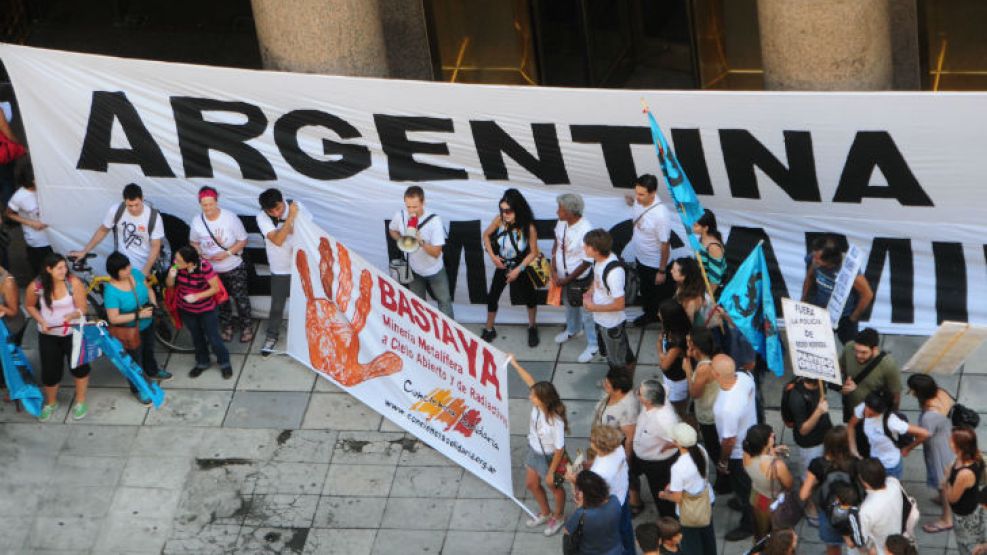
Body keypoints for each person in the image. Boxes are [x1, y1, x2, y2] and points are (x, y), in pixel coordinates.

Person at [24, 253, 90, 421]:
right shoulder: (37, 285)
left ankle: (80, 401)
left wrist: (73, 315)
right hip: (48, 334)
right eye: (59, 268)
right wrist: (41, 321)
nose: (64, 271)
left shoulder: (72, 282)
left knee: (79, 368)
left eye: (64, 267)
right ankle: (51, 402)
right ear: (49, 269)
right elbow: (30, 306)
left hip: (73, 333)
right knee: (50, 370)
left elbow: (83, 308)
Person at [508, 355, 568, 536]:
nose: (530, 396)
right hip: (533, 451)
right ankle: (545, 512)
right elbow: (530, 381)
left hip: (550, 458)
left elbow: (560, 449)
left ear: (542, 399)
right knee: (531, 484)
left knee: (555, 488)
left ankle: (558, 517)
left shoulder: (555, 421)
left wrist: (551, 472)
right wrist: (515, 364)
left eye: (533, 396)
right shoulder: (538, 408)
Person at [103, 251, 171, 405]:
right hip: (130, 330)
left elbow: (148, 289)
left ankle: (152, 370)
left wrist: (153, 304)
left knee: (149, 348)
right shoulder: (111, 292)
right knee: (134, 360)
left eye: (128, 265)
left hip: (147, 322)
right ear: (115, 272)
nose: (129, 269)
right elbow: (113, 318)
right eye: (124, 268)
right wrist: (138, 315)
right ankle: (138, 388)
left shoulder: (135, 274)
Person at [189, 186, 253, 344]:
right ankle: (227, 327)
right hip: (212, 270)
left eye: (211, 204)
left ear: (216, 202)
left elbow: (243, 240)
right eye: (204, 205)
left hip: (233, 265)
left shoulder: (230, 218)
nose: (208, 208)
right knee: (221, 300)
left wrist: (227, 253)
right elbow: (193, 242)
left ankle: (247, 326)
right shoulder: (197, 221)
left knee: (241, 299)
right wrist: (199, 253)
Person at [480, 189, 540, 346]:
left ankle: (532, 327)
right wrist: (493, 257)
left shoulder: (529, 227)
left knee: (530, 298)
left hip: (521, 266)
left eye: (508, 210)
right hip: (502, 265)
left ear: (518, 209)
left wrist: (518, 270)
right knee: (492, 296)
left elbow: (534, 252)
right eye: (502, 210)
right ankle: (489, 328)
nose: (504, 214)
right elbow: (485, 235)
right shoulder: (499, 220)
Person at [70, 182, 164, 278]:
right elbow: (102, 230)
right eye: (130, 205)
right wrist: (84, 251)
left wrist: (146, 270)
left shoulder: (154, 217)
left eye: (136, 204)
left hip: (142, 265)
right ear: (124, 201)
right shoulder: (116, 210)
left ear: (142, 199)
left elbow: (156, 246)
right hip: (121, 265)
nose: (134, 209)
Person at [256, 188, 308, 357]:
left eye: (278, 208)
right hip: (280, 267)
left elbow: (307, 231)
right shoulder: (262, 217)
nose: (276, 212)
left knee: (309, 302)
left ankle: (309, 336)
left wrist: (285, 229)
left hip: (302, 266)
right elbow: (278, 240)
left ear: (283, 200)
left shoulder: (298, 206)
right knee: (277, 305)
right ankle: (271, 337)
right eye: (271, 211)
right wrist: (291, 219)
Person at [387, 186, 454, 318]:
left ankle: (449, 336)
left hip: (434, 270)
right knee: (418, 306)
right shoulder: (400, 215)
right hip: (415, 270)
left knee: (444, 302)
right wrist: (403, 239)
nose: (411, 211)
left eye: (415, 207)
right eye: (408, 207)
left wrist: (420, 242)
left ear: (423, 203)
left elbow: (436, 253)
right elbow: (392, 230)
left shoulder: (434, 221)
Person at [166, 246, 232, 378]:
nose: (175, 262)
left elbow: (215, 288)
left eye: (179, 260)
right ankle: (202, 362)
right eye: (176, 259)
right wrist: (171, 276)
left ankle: (224, 363)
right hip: (186, 309)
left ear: (189, 263)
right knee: (196, 337)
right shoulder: (177, 268)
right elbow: (169, 286)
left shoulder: (204, 267)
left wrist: (197, 296)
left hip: (206, 309)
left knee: (214, 338)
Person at [712, 353, 758, 541]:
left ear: (715, 375)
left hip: (739, 453)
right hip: (753, 439)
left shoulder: (726, 407)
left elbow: (729, 440)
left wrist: (723, 461)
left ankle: (749, 525)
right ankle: (743, 503)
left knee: (745, 489)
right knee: (746, 486)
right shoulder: (746, 379)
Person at [798, 426, 860, 555]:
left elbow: (803, 495)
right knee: (855, 544)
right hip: (850, 510)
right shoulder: (854, 462)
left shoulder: (817, 464)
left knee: (833, 547)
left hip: (828, 512)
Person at [907, 374, 956, 534]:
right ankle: (946, 499)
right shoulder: (942, 393)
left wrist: (908, 447)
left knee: (942, 481)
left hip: (938, 447)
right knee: (945, 476)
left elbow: (924, 435)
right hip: (947, 438)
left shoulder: (929, 415)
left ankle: (947, 518)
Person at [551, 193, 597, 362]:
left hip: (581, 279)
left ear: (570, 212)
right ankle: (573, 330)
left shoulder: (586, 229)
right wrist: (554, 267)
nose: (557, 212)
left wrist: (567, 280)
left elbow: (587, 262)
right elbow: (557, 241)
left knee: (587, 313)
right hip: (563, 277)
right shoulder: (561, 223)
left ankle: (593, 344)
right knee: (569, 305)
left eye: (560, 210)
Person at [659, 422, 716, 554]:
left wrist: (664, 495)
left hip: (689, 511)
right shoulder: (701, 451)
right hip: (707, 500)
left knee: (692, 545)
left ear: (677, 442)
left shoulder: (678, 467)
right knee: (707, 538)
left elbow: (677, 497)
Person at [623, 174, 672, 327]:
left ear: (653, 192)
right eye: (636, 192)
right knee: (645, 290)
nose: (638, 197)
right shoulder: (639, 201)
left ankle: (655, 317)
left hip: (654, 264)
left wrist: (662, 271)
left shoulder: (661, 215)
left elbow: (665, 244)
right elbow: (638, 208)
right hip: (641, 258)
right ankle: (649, 312)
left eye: (641, 194)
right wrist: (632, 203)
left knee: (656, 294)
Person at [583, 229, 635, 371]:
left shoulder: (614, 273)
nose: (583, 247)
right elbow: (597, 279)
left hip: (612, 324)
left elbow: (619, 304)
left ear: (596, 250)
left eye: (586, 245)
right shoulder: (598, 261)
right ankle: (623, 378)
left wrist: (593, 307)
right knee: (619, 353)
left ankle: (619, 386)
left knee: (616, 360)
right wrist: (589, 293)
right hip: (601, 320)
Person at [592, 367, 643, 513]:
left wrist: (627, 458)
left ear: (619, 389)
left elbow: (629, 437)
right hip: (606, 440)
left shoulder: (628, 407)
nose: (604, 385)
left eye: (608, 384)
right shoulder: (612, 395)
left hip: (618, 446)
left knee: (628, 473)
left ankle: (635, 503)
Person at [802, 241, 874, 343]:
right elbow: (809, 277)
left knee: (851, 348)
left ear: (830, 262)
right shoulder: (815, 260)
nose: (813, 260)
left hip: (844, 318)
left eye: (817, 259)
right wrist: (803, 299)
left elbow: (867, 295)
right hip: (820, 313)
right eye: (813, 256)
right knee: (817, 344)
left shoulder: (850, 271)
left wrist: (853, 318)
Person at [847, 390, 929, 479]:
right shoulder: (865, 407)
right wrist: (853, 450)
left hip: (890, 467)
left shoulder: (892, 421)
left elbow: (924, 433)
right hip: (874, 461)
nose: (867, 412)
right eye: (867, 407)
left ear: (882, 411)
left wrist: (907, 449)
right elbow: (851, 426)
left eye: (872, 412)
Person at [633, 379, 680, 518]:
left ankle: (669, 520)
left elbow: (679, 441)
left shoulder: (664, 419)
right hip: (642, 455)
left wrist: (666, 446)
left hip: (658, 463)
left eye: (640, 393)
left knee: (660, 493)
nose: (637, 393)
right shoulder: (660, 392)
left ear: (649, 401)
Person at [585, 425, 634, 554]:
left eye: (592, 440)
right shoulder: (618, 449)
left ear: (599, 445)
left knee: (614, 537)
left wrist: (575, 480)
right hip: (622, 494)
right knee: (626, 529)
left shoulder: (599, 471)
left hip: (610, 506)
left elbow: (595, 495)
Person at [837, 328, 902, 423]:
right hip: (852, 410)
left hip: (874, 415)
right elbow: (840, 369)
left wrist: (891, 416)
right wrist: (842, 387)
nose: (858, 355)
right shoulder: (848, 348)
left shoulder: (888, 365)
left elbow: (896, 396)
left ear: (874, 349)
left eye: (863, 352)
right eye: (856, 350)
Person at [743, 424, 794, 542]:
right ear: (764, 443)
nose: (773, 435)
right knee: (778, 533)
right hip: (773, 502)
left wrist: (772, 450)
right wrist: (775, 456)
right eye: (771, 436)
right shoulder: (776, 465)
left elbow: (759, 457)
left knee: (761, 531)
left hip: (756, 497)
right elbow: (789, 484)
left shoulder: (746, 455)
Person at [683, 325, 722, 482]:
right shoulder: (714, 358)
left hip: (708, 415)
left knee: (714, 449)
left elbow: (695, 393)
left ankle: (723, 477)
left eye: (689, 343)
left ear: (696, 348)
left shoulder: (703, 369)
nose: (687, 346)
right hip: (715, 409)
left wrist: (687, 371)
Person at [858, 458, 916, 554]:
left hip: (882, 550)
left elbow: (861, 540)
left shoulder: (866, 510)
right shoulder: (894, 483)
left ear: (865, 482)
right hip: (899, 539)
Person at [942, 428, 984, 554]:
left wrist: (947, 480)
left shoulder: (965, 473)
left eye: (952, 440)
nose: (949, 442)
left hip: (965, 518)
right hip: (968, 508)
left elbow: (951, 498)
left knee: (966, 546)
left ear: (960, 446)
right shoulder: (964, 458)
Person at [6, 163, 52, 276]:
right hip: (37, 241)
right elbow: (8, 214)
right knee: (41, 272)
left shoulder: (47, 188)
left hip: (54, 237)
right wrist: (31, 223)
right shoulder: (19, 196)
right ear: (31, 180)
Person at [563, 470, 623, 555]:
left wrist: (579, 508)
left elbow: (567, 532)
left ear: (583, 494)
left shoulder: (581, 515)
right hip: (616, 550)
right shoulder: (614, 501)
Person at [786, 377, 833, 482]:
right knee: (809, 476)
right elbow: (803, 430)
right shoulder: (797, 397)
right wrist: (819, 411)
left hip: (824, 437)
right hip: (810, 446)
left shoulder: (821, 382)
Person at [657, 300, 691, 419]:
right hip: (671, 376)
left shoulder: (676, 343)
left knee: (678, 411)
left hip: (677, 381)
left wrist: (660, 349)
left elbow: (664, 365)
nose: (658, 314)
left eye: (661, 313)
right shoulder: (672, 330)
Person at [693, 209, 726, 294]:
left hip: (709, 289)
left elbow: (715, 278)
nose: (692, 227)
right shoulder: (702, 238)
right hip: (700, 284)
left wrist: (708, 298)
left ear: (705, 228)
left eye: (695, 225)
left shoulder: (713, 247)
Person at [671, 257, 708, 326]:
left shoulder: (690, 301)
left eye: (674, 270)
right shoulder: (682, 285)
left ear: (684, 276)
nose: (671, 271)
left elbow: (687, 325)